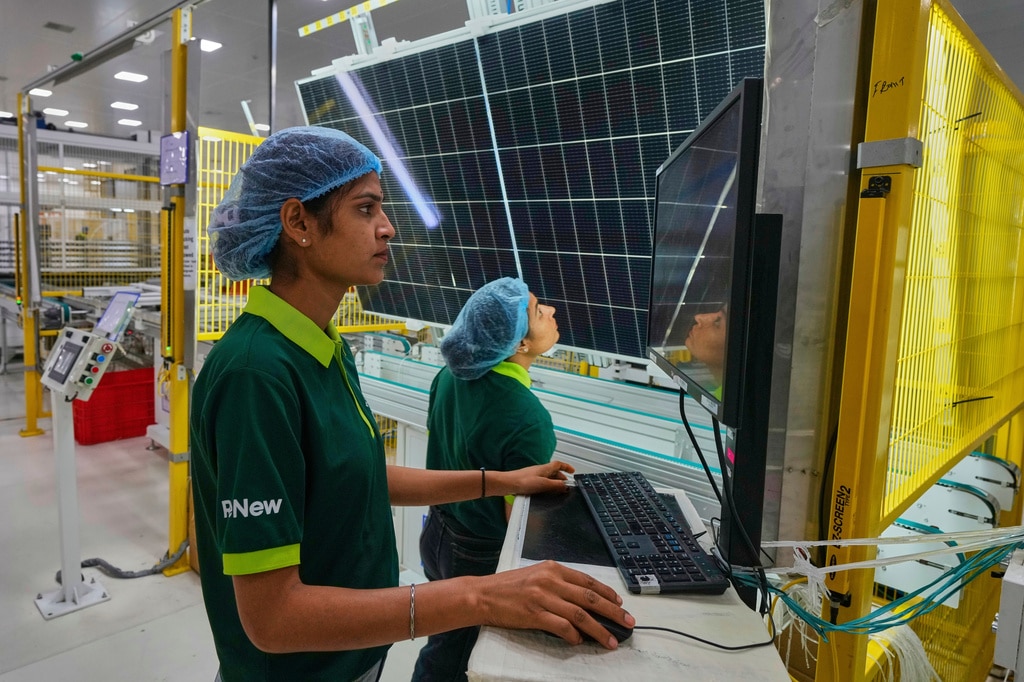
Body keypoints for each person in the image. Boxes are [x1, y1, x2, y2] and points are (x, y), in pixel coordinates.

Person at [189, 126, 633, 682]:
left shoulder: (324, 346)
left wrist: (501, 480)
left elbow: (359, 476)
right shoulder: (256, 375)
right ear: (298, 222)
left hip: (357, 655)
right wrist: (481, 595)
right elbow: (273, 618)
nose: (388, 227)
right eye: (365, 208)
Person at [413, 277, 560, 681]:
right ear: (520, 345)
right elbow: (519, 523)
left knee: (442, 639)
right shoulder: (526, 418)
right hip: (478, 556)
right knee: (454, 658)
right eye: (536, 311)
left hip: (437, 535)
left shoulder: (449, 378)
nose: (550, 311)